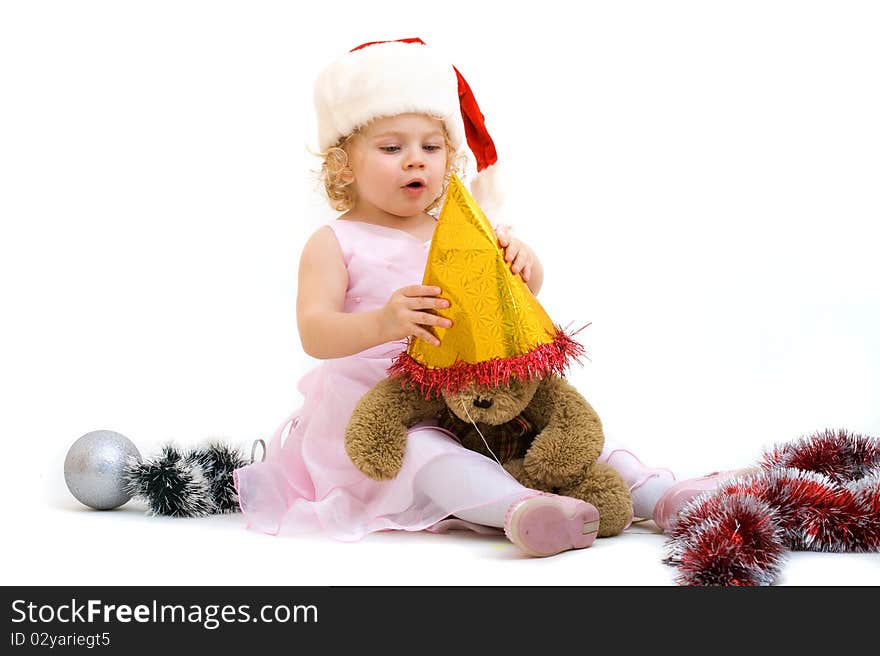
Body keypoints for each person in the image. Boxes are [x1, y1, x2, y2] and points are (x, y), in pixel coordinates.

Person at [232, 38, 729, 556]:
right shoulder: (335, 242)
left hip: (473, 394)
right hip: (384, 406)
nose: (414, 161)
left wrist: (523, 264)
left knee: (562, 438)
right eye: (391, 147)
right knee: (429, 454)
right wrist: (384, 321)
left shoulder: (458, 230)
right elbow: (315, 331)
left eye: (431, 146)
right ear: (342, 165)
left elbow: (511, 300)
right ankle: (523, 511)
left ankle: (662, 495)